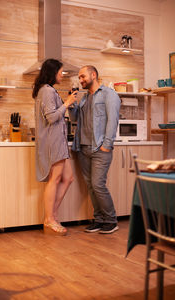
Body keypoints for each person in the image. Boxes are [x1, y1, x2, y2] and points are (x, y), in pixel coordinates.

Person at [68, 65, 121, 234]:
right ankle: (99, 220)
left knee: (98, 185)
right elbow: (76, 119)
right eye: (80, 78)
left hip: (100, 148)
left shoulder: (109, 94)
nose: (81, 80)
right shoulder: (84, 98)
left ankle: (111, 220)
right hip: (84, 148)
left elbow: (113, 121)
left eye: (83, 77)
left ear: (93, 75)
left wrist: (107, 144)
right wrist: (71, 105)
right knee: (91, 186)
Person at [32, 59, 77, 235]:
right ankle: (50, 219)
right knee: (55, 179)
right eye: (60, 71)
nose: (62, 74)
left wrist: (66, 102)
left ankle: (52, 215)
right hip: (53, 142)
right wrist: (67, 103)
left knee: (68, 178)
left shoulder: (48, 90)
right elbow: (51, 117)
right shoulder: (46, 91)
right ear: (53, 72)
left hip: (59, 141)